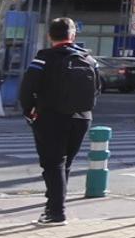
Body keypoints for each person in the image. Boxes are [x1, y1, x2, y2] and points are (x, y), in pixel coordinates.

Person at [19, 17, 100, 225]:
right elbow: (97, 89)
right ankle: (53, 207)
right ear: (73, 36)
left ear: (49, 36)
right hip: (82, 118)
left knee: (53, 164)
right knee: (65, 164)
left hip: (51, 117)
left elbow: (26, 89)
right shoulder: (89, 59)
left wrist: (30, 112)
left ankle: (56, 212)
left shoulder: (43, 59)